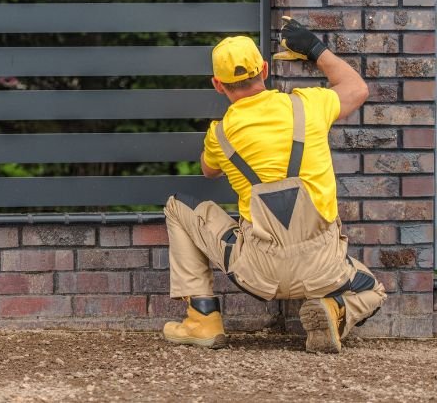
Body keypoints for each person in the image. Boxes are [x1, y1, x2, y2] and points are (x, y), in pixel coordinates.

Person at [161, 18, 386, 353]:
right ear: (264, 70)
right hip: (323, 270)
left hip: (257, 272)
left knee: (177, 207)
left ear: (218, 85)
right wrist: (314, 49)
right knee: (372, 290)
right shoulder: (308, 105)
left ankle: (202, 318)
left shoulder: (220, 134)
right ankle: (335, 308)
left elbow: (208, 170)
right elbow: (357, 89)